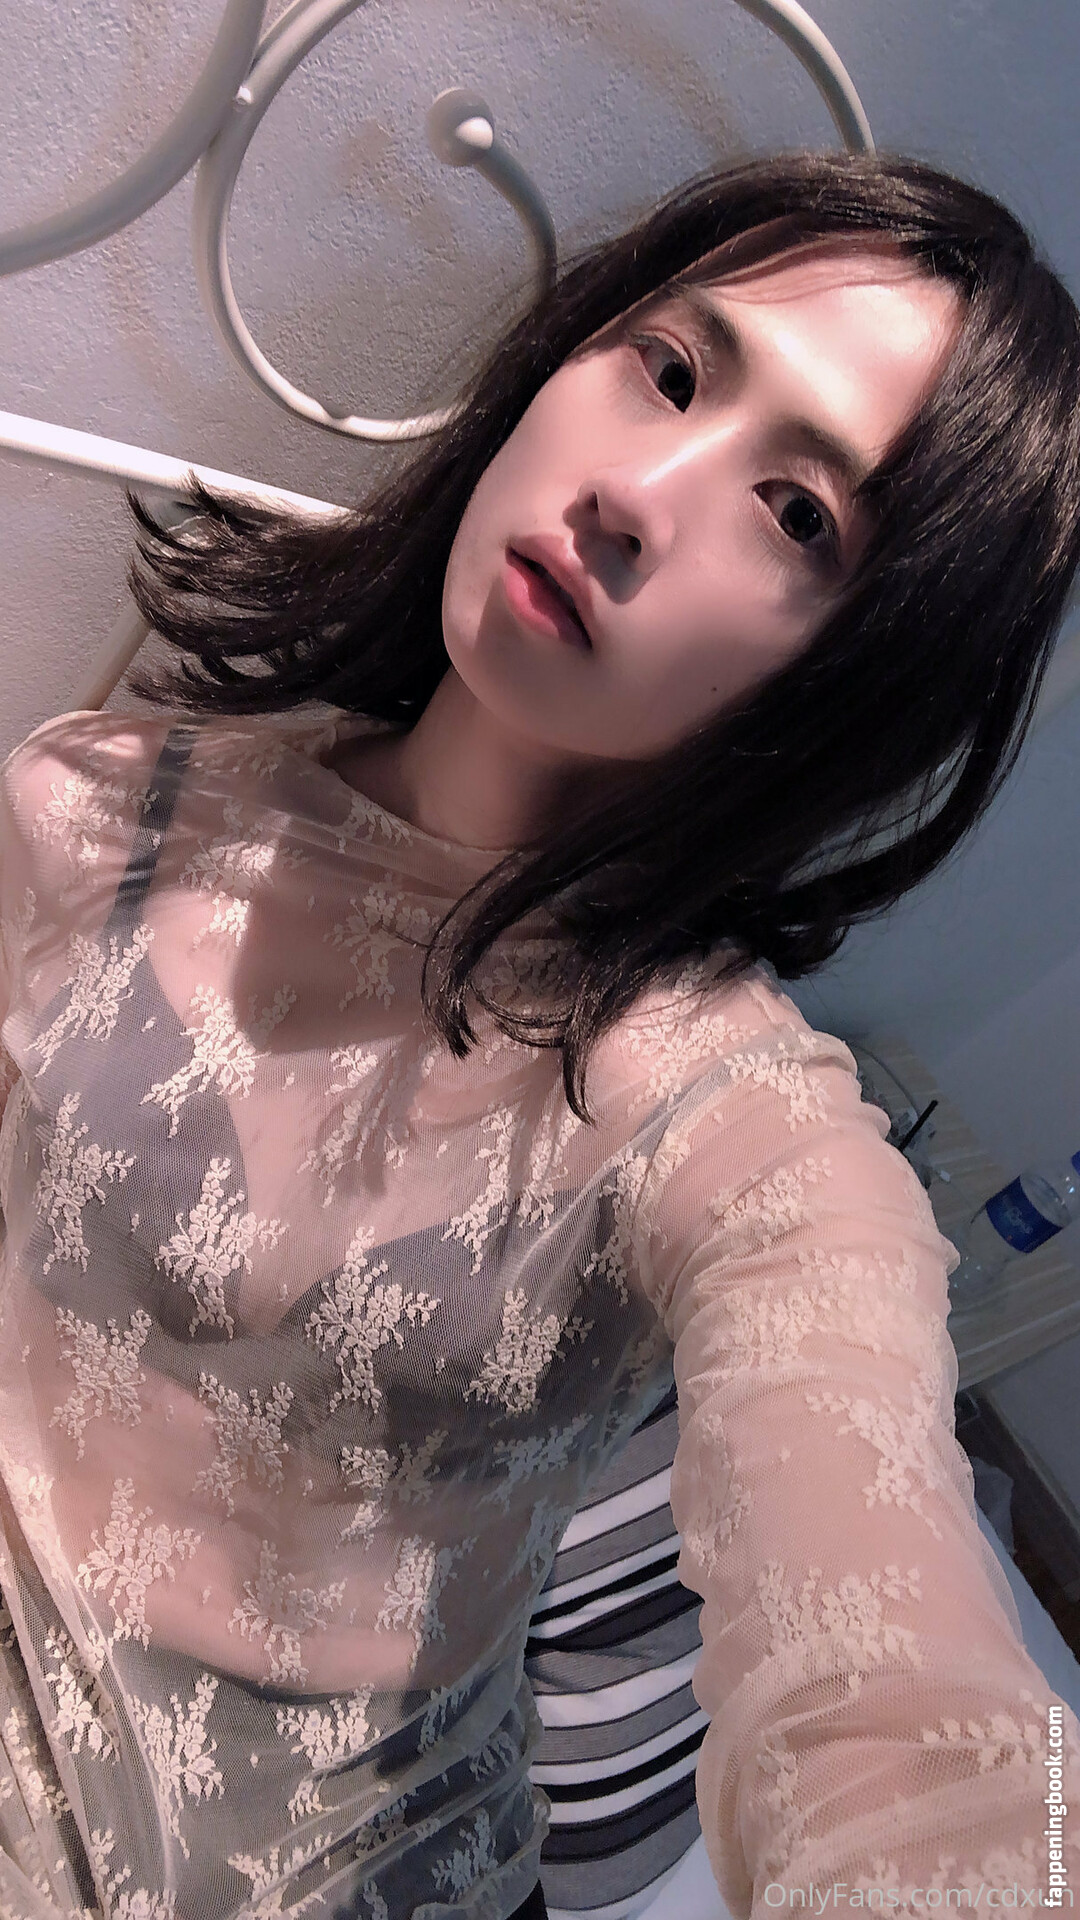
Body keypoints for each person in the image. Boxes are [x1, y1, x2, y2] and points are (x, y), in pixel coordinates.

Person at [0, 150, 1079, 1920]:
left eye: (798, 516)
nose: (637, 495)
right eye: (670, 368)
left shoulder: (732, 1126)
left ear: (866, 669)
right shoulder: (94, 805)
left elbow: (909, 1723)